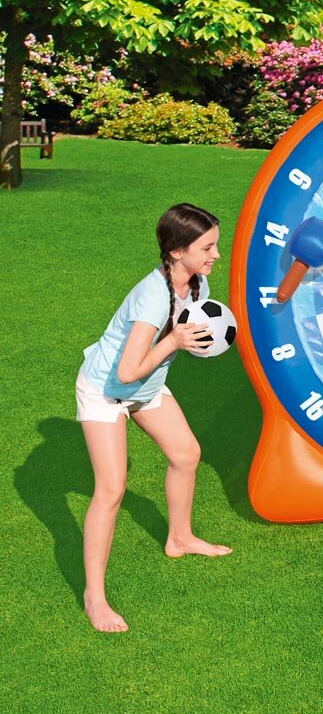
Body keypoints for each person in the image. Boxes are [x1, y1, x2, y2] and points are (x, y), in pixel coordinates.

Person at [76, 203, 232, 633]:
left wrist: (196, 341)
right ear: (177, 251)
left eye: (215, 244)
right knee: (111, 488)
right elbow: (125, 370)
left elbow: (180, 339)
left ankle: (179, 538)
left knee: (186, 454)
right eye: (208, 247)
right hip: (106, 391)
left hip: (145, 387)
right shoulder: (151, 296)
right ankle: (95, 597)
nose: (216, 254)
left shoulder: (197, 282)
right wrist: (176, 342)